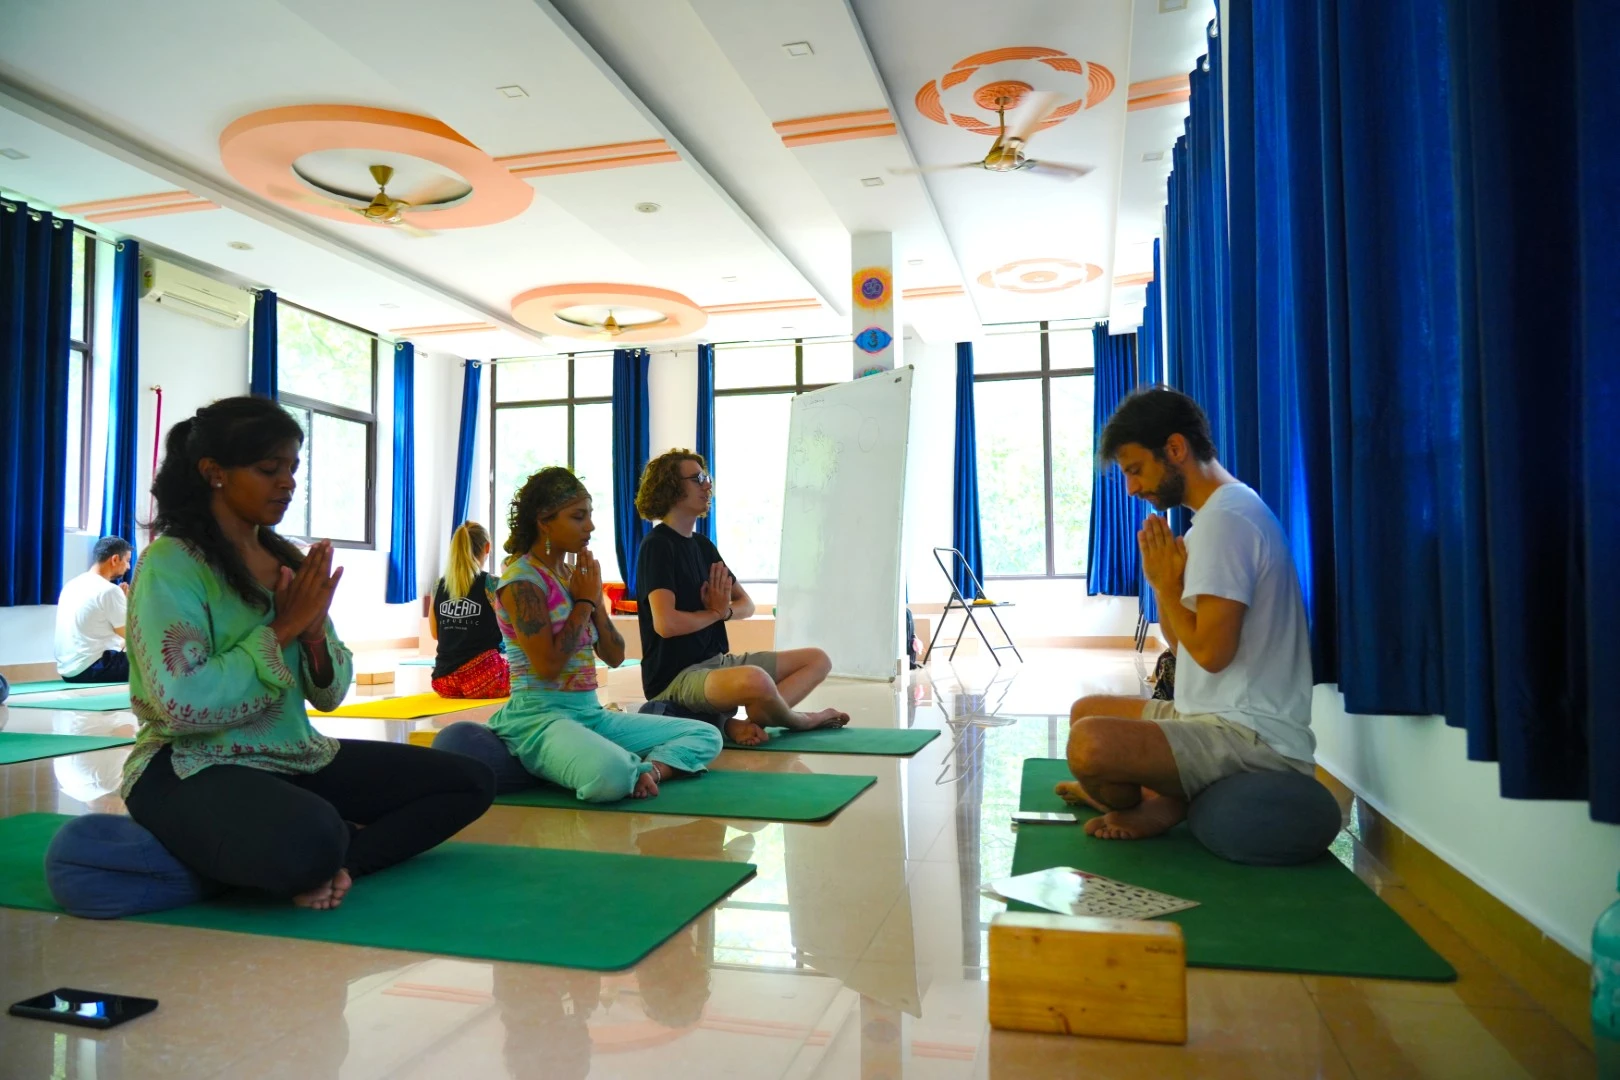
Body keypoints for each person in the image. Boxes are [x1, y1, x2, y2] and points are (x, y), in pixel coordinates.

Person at [119, 396, 494, 910]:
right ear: (214, 473)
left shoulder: (286, 559)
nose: (288, 483)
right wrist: (285, 627)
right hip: (191, 765)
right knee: (310, 835)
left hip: (292, 754)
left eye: (293, 469)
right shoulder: (172, 563)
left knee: (468, 781)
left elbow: (332, 694)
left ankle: (339, 864)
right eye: (268, 469)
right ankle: (297, 849)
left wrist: (314, 636)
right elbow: (181, 705)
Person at [1058, 388, 1315, 841]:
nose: (1133, 488)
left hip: (1249, 736)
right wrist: (1166, 587)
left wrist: (1164, 584)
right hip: (1204, 716)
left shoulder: (1226, 522)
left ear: (1175, 449)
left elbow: (1213, 654)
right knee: (1085, 712)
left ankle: (1158, 799)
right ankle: (1158, 794)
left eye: (1136, 470)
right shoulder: (1218, 516)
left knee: (1089, 744)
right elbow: (1186, 649)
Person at [439, 467, 722, 802]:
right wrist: (585, 602)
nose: (590, 526)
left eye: (590, 515)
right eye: (578, 517)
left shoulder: (574, 575)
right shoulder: (521, 581)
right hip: (539, 720)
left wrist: (594, 601)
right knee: (611, 775)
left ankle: (651, 770)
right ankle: (612, 767)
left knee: (706, 734)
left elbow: (615, 656)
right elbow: (547, 666)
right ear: (544, 521)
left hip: (591, 715)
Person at [632, 450, 848, 746]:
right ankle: (801, 719)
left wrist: (723, 613)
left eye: (707, 478)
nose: (708, 486)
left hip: (716, 664)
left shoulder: (702, 545)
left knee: (818, 660)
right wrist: (715, 613)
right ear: (670, 487)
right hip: (675, 679)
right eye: (698, 479)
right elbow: (666, 624)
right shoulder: (657, 545)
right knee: (756, 679)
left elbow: (745, 604)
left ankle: (759, 714)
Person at [430, 521, 509, 699]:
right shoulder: (492, 584)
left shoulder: (438, 585)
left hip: (444, 682)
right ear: (487, 547)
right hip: (485, 679)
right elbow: (512, 629)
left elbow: (435, 633)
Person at [55, 536, 133, 683]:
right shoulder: (109, 590)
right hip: (96, 668)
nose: (128, 567)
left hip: (68, 671)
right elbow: (132, 637)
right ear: (115, 559)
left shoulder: (71, 585)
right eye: (127, 561)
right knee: (163, 657)